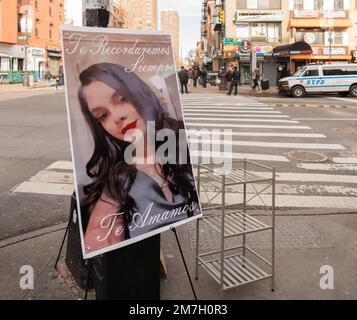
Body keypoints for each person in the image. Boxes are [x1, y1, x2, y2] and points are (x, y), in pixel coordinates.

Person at [77, 63, 199, 254]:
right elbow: (98, 234)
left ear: (138, 92)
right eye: (103, 116)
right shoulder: (118, 178)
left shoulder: (182, 138)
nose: (117, 117)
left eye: (122, 99)